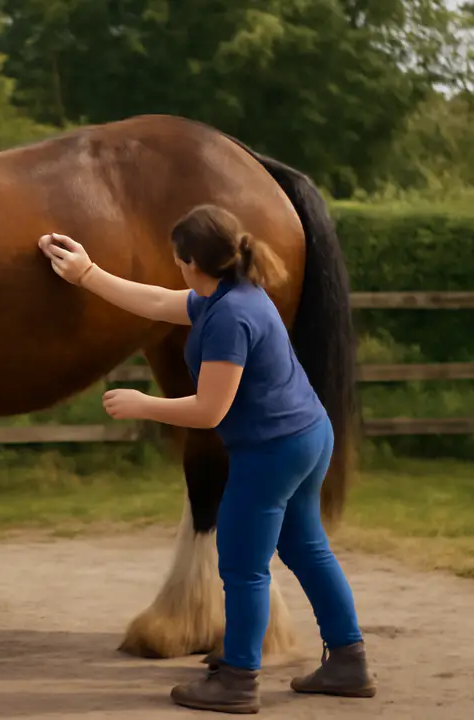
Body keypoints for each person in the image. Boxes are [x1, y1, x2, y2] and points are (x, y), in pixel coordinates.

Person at [37, 204, 376, 714]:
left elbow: (209, 408)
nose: (176, 269)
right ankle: (348, 661)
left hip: (272, 452)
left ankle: (239, 680)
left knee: (241, 564)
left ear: (194, 262)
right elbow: (154, 301)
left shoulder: (228, 318)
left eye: (178, 260)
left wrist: (142, 404)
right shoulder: (232, 293)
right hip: (307, 435)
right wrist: (88, 274)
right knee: (306, 549)